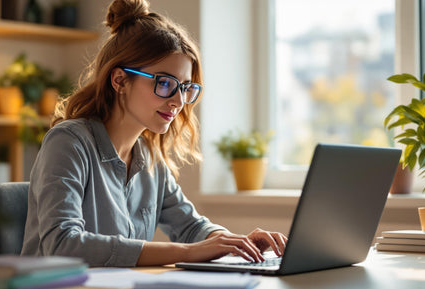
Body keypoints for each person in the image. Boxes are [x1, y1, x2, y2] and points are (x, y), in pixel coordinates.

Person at [21, 0, 287, 267]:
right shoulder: (69, 142)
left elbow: (192, 227)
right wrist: (185, 252)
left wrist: (236, 242)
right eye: (165, 83)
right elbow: (63, 245)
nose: (179, 101)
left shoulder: (149, 157)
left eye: (185, 87)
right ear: (120, 80)